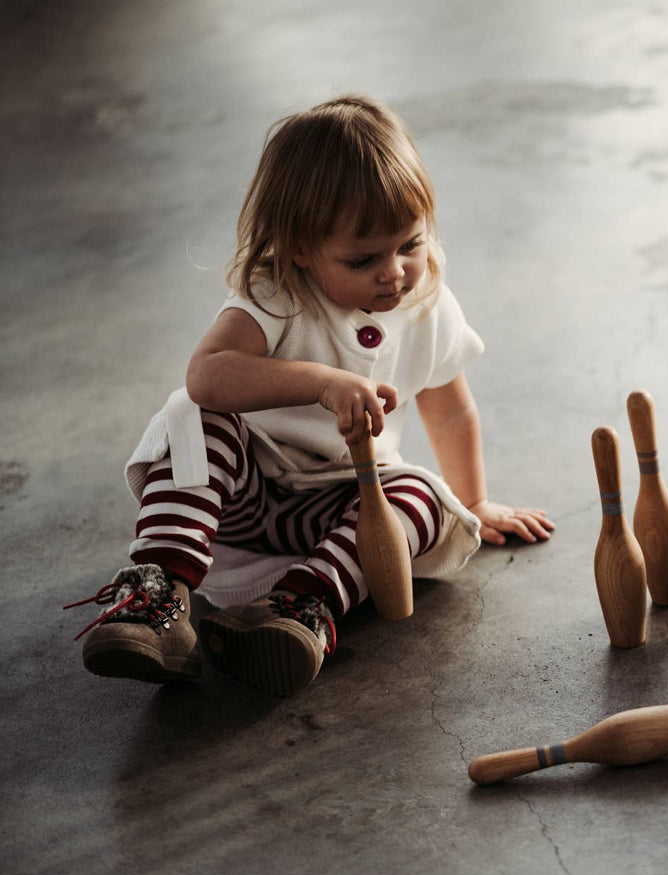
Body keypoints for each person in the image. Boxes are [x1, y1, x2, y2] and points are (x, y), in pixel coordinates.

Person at [67, 95, 553, 695]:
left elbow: (450, 410)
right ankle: (159, 598)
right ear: (300, 247)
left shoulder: (427, 306)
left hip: (338, 512)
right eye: (363, 258)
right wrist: (323, 383)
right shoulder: (278, 294)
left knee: (423, 494)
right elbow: (207, 374)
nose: (394, 272)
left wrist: (476, 503)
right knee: (193, 417)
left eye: (411, 245)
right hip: (240, 503)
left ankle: (300, 609)